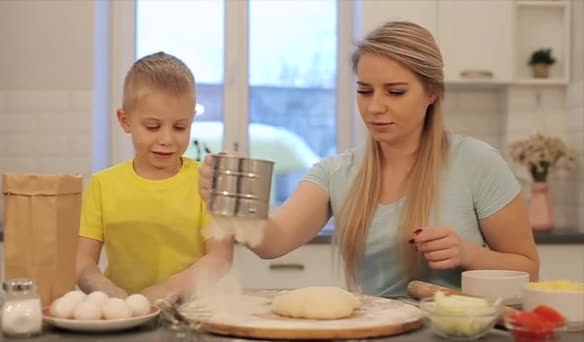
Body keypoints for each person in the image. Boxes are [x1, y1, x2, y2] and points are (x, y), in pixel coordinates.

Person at [198, 22, 539, 297]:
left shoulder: (478, 163)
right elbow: (272, 241)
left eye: (395, 92)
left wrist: (468, 254)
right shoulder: (336, 173)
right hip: (375, 332)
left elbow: (528, 268)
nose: (374, 107)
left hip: (460, 332)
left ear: (432, 92)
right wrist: (228, 194)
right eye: (364, 91)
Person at [75, 52, 233, 302]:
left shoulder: (205, 182)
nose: (167, 139)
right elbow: (83, 264)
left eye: (179, 127)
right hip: (123, 314)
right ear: (125, 120)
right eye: (152, 126)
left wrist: (168, 290)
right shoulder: (102, 185)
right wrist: (109, 293)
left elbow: (220, 258)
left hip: (190, 313)